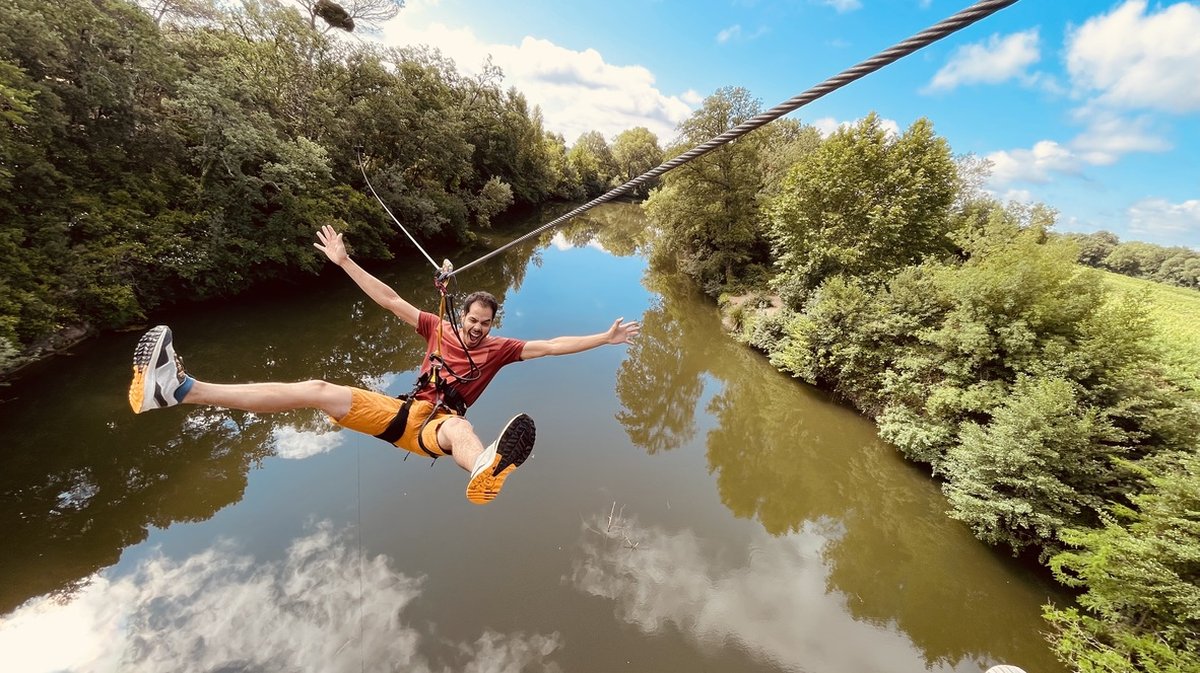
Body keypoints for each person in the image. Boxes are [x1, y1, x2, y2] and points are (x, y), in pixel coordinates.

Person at [129, 225, 640, 504]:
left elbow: (552, 346)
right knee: (316, 388)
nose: (480, 328)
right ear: (463, 314)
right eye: (475, 319)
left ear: (494, 323)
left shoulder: (501, 349)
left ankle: (485, 469)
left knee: (459, 428)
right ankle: (178, 389)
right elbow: (391, 300)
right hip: (399, 412)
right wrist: (346, 262)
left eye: (488, 322)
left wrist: (605, 337)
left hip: (432, 428)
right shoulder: (438, 327)